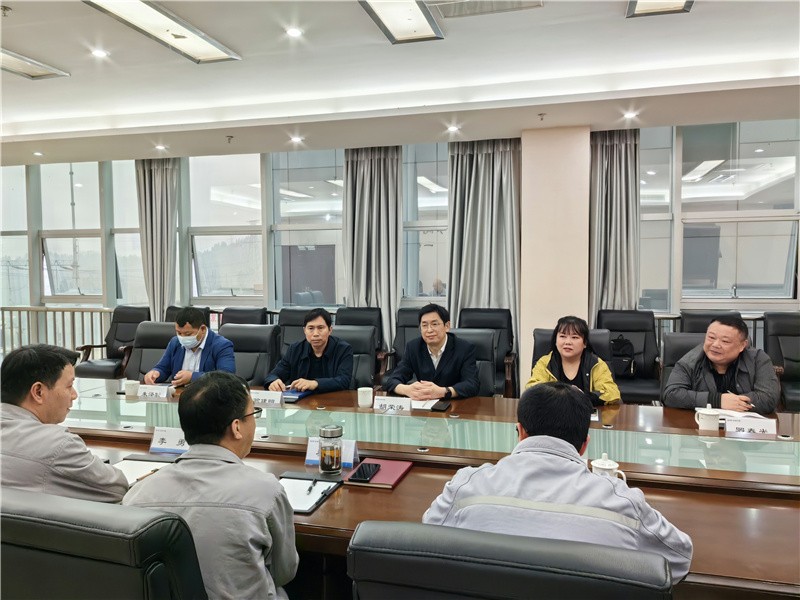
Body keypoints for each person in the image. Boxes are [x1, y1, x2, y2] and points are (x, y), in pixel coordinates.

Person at [423, 382, 693, 581]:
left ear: (520, 432)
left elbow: (426, 543)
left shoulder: (467, 485)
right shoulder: (622, 502)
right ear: (584, 445)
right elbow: (678, 560)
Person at [123, 371, 298, 599]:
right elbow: (284, 572)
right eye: (254, 413)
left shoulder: (138, 494)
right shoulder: (266, 491)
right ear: (236, 427)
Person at [0, 344, 128, 502]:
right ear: (38, 392)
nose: (74, 395)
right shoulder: (58, 444)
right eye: (69, 386)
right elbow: (117, 488)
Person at [663, 316, 779, 414]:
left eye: (725, 341)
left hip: (744, 429)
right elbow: (671, 395)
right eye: (711, 337)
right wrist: (718, 401)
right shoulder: (690, 361)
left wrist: (734, 403)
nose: (715, 345)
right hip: (701, 425)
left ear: (742, 345)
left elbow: (769, 398)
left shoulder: (758, 359)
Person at [383, 304, 480, 400]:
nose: (429, 330)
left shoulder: (464, 348)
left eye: (434, 324)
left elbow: (472, 384)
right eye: (424, 325)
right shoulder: (413, 347)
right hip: (424, 404)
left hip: (454, 404)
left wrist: (443, 391)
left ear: (447, 326)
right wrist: (407, 390)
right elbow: (392, 380)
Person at [527, 315, 620, 404]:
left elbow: (612, 392)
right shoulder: (545, 362)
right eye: (562, 336)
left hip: (585, 412)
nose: (568, 342)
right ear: (555, 340)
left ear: (585, 343)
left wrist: (584, 396)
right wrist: (560, 394)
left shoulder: (596, 363)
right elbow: (532, 389)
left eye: (574, 337)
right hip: (553, 412)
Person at [265, 308, 353, 393]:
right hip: (301, 400)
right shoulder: (295, 349)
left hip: (332, 400)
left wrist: (315, 383)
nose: (315, 334)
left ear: (330, 330)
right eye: (311, 328)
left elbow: (344, 380)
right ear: (304, 330)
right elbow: (273, 375)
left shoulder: (343, 349)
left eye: (320, 328)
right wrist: (273, 381)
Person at [144, 306, 235, 386]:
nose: (182, 338)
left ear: (202, 329)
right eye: (179, 333)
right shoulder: (175, 342)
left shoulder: (222, 345)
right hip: (178, 394)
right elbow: (163, 368)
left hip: (207, 396)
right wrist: (155, 373)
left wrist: (192, 377)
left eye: (188, 334)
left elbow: (227, 377)